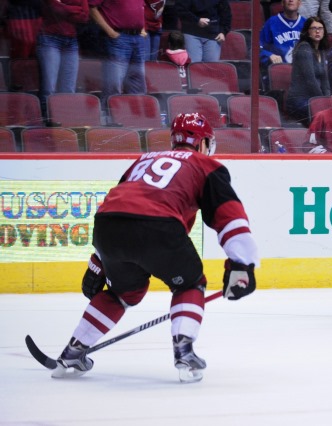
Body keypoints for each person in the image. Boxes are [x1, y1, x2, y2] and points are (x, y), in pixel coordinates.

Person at [50, 112, 259, 383]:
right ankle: (184, 351)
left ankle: (73, 351)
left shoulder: (143, 159)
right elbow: (229, 214)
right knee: (189, 284)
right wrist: (242, 262)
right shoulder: (205, 165)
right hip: (158, 226)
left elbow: (119, 204)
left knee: (123, 292)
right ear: (203, 143)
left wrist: (98, 261)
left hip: (107, 226)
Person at [88, 0, 147, 108]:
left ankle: (137, 119)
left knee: (138, 84)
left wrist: (142, 30)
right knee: (113, 85)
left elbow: (141, 8)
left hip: (137, 39)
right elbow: (92, 8)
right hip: (118, 38)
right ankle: (109, 119)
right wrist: (110, 32)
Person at [36, 0, 89, 112]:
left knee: (69, 89)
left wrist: (64, 7)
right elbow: (54, 8)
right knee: (49, 88)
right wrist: (75, 9)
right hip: (49, 38)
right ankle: (47, 122)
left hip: (71, 41)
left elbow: (84, 16)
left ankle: (65, 119)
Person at [286, 16, 331, 125]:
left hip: (314, 98)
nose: (317, 31)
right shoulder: (304, 48)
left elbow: (325, 80)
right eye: (313, 28)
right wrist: (323, 101)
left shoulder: (321, 51)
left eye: (320, 28)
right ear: (307, 32)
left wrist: (328, 98)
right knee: (326, 114)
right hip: (299, 100)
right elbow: (310, 80)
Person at [259, 0, 305, 88]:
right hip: (278, 75)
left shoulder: (306, 23)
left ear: (300, 3)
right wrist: (269, 55)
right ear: (282, 3)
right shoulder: (271, 22)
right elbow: (258, 48)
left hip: (301, 76)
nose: (291, 0)